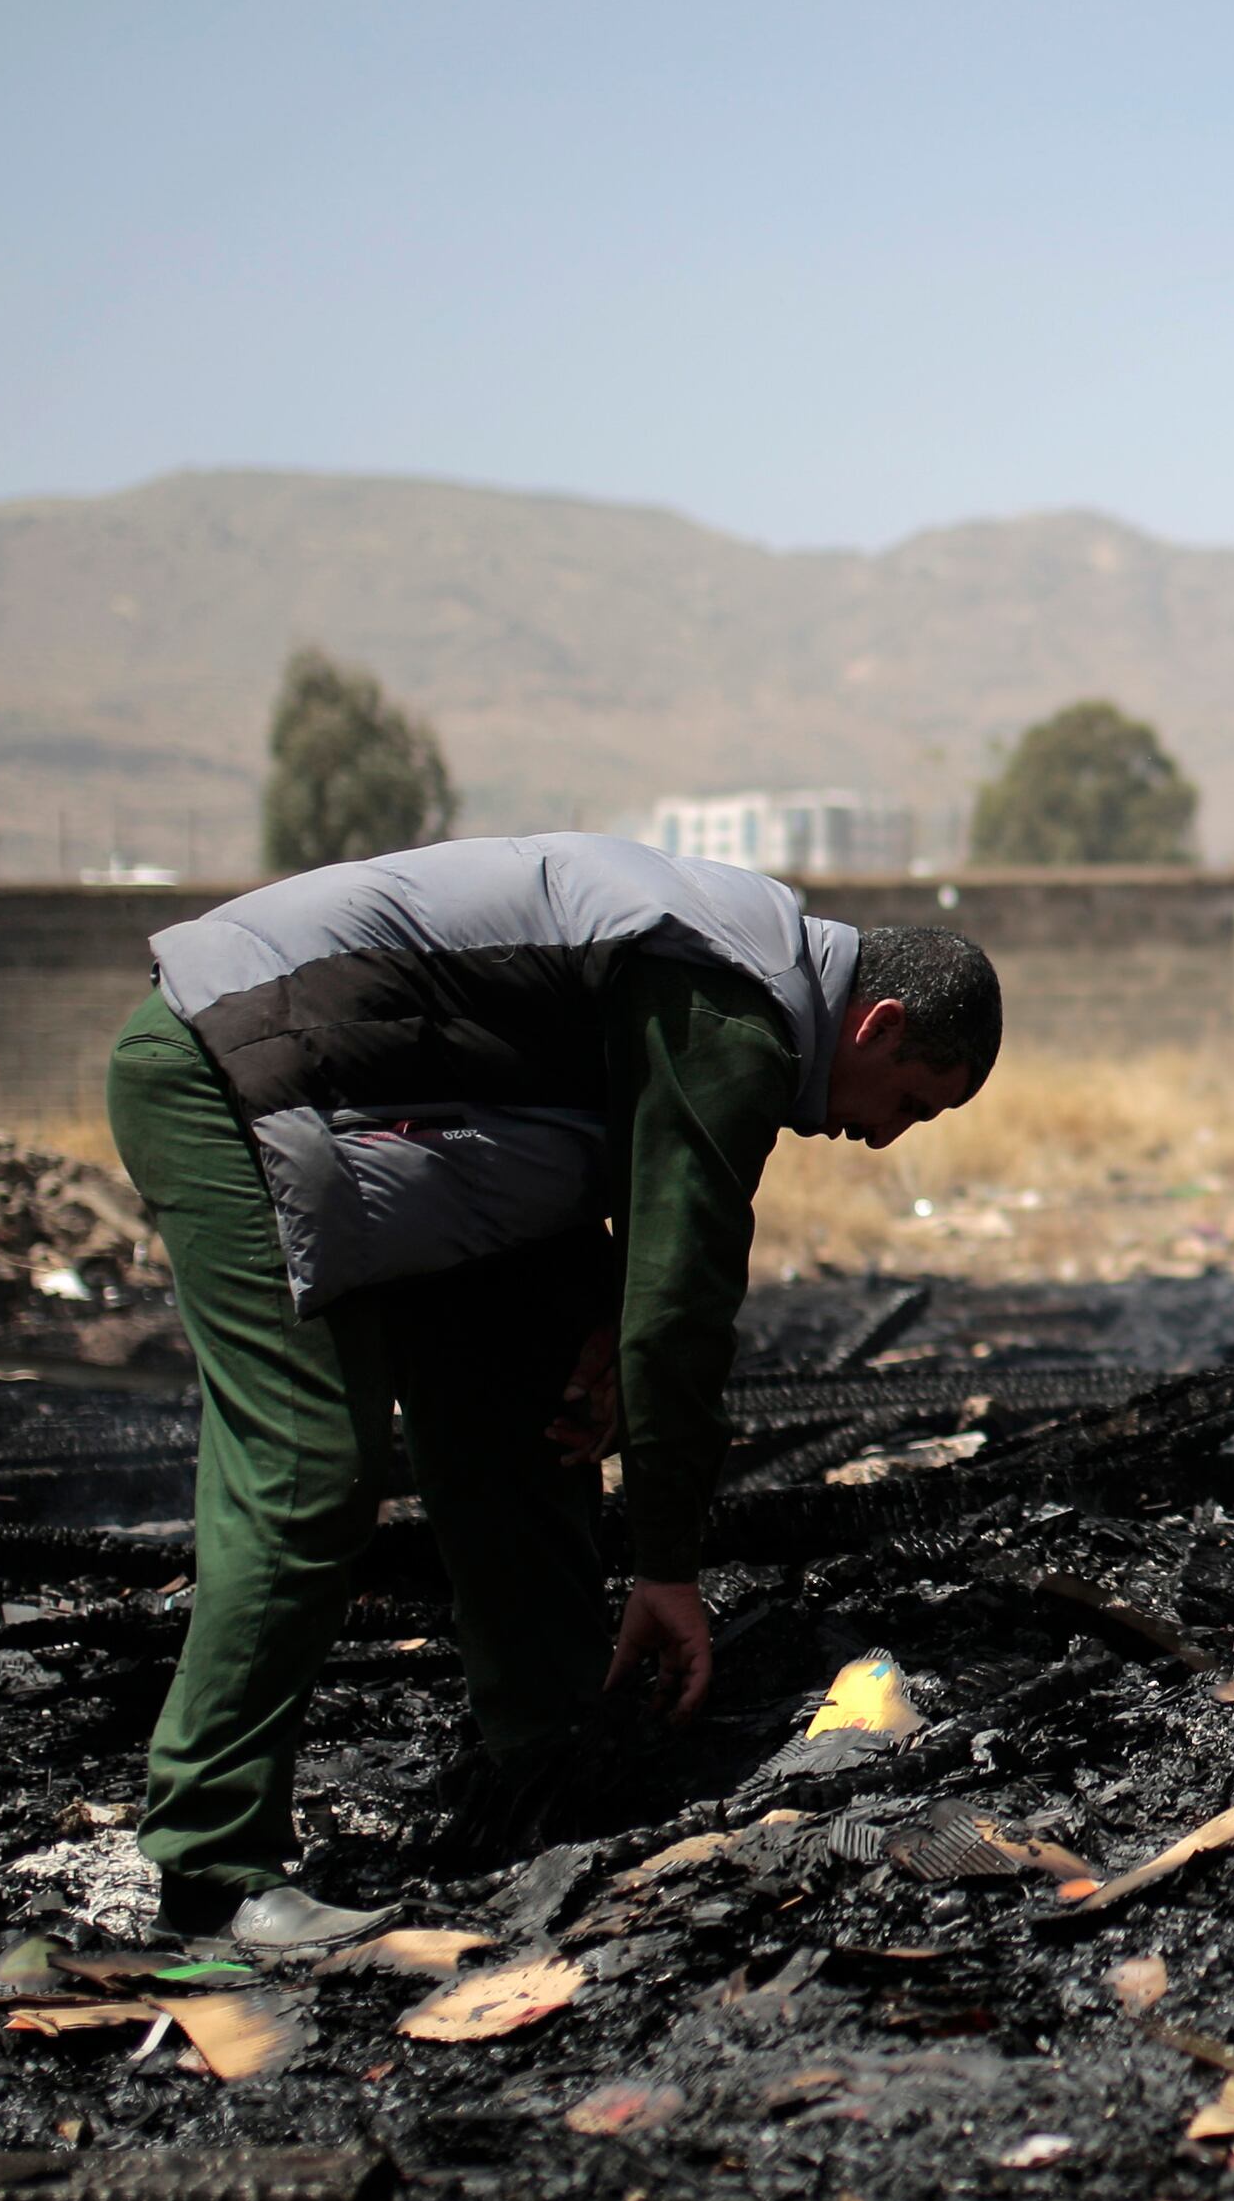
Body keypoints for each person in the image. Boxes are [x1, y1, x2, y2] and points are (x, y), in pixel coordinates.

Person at [105, 833, 996, 1949]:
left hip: (407, 1122)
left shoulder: (729, 974)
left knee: (531, 1421)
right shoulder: (733, 1006)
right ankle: (209, 1868)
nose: (877, 1135)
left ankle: (546, 1773)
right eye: (907, 1102)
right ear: (876, 1026)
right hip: (238, 1069)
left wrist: (596, 1325)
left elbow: (555, 1116)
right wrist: (667, 1566)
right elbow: (683, 1295)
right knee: (309, 1468)